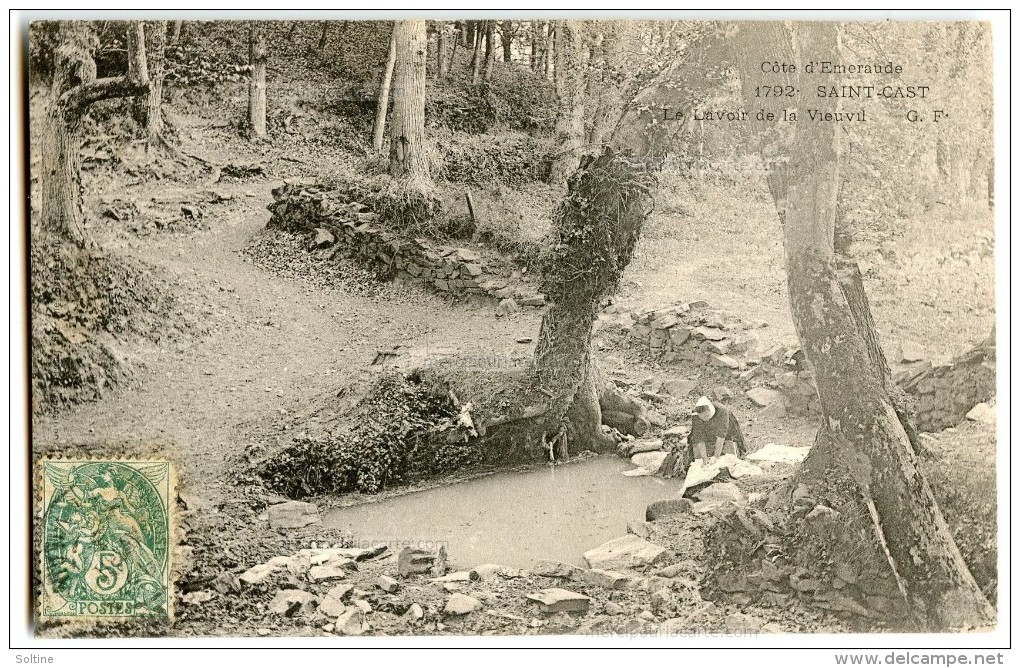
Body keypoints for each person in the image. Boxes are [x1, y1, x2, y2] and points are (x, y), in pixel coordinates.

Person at [689, 395, 746, 463]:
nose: (705, 419)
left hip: (727, 427)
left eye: (706, 416)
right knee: (703, 445)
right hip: (708, 428)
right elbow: (699, 437)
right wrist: (704, 458)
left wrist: (716, 457)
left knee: (729, 445)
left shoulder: (722, 411)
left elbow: (721, 436)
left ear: (710, 410)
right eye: (702, 418)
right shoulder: (696, 416)